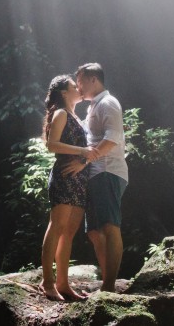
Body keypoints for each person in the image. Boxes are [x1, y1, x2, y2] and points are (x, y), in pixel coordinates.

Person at [63, 62, 128, 293]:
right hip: (95, 173)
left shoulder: (108, 103)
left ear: (93, 80)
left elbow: (112, 139)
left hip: (107, 170)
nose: (78, 86)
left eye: (80, 81)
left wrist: (84, 160)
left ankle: (109, 286)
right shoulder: (93, 107)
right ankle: (107, 281)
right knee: (93, 231)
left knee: (110, 226)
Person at [40, 74, 96, 301]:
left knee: (70, 232)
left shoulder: (75, 116)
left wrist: (84, 158)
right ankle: (47, 281)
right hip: (64, 176)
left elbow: (86, 150)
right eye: (74, 86)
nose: (79, 88)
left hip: (79, 179)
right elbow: (51, 145)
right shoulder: (62, 113)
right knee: (57, 226)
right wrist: (82, 152)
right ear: (64, 92)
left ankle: (63, 283)